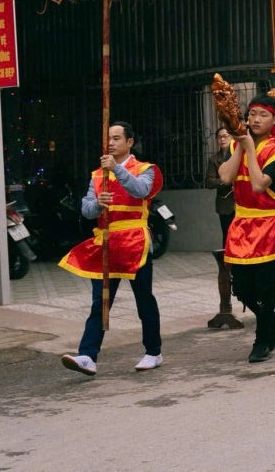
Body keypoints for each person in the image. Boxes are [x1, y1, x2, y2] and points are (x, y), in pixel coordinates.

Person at [59, 121, 164, 376]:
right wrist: (98, 204)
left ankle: (153, 351)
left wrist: (116, 169)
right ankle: (87, 356)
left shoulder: (146, 169)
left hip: (134, 241)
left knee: (144, 299)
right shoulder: (97, 175)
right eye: (109, 138)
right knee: (100, 302)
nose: (111, 142)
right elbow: (85, 209)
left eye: (117, 138)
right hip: (106, 242)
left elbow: (140, 191)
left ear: (129, 142)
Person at [218, 95, 275, 363]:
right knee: (243, 288)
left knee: (266, 287)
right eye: (252, 113)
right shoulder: (236, 144)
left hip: (269, 224)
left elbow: (258, 184)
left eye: (263, 115)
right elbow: (225, 177)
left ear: (274, 120)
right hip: (242, 222)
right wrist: (240, 148)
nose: (255, 119)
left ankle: (262, 339)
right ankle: (271, 322)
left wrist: (250, 149)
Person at [205, 127, 242, 330]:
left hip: (243, 205)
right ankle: (229, 269)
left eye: (226, 136)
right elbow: (209, 181)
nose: (222, 139)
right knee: (227, 240)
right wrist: (224, 181)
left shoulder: (240, 152)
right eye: (219, 137)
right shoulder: (214, 159)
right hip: (226, 205)